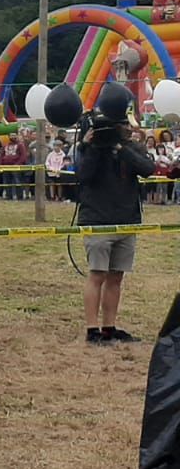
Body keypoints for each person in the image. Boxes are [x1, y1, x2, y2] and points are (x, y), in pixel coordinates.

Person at [73, 86, 156, 344]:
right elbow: (83, 177)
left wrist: (120, 146)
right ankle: (92, 329)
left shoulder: (129, 148)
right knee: (97, 274)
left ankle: (110, 327)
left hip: (126, 218)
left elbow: (147, 169)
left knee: (116, 276)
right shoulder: (89, 147)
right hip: (97, 219)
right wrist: (92, 146)